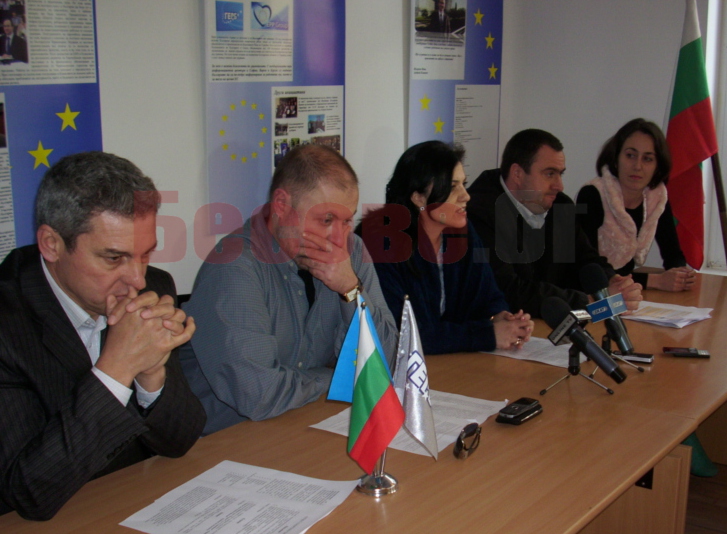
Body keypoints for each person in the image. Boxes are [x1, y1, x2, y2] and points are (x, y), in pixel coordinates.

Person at [0, 152, 206, 520]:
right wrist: (117, 368)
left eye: (145, 254)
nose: (137, 279)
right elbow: (29, 492)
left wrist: (151, 376)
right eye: (114, 258)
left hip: (131, 500)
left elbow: (180, 440)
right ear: (51, 244)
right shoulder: (7, 323)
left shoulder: (155, 286)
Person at [180, 145, 398, 435]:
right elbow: (259, 396)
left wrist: (350, 289)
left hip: (305, 422)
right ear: (282, 205)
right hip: (229, 439)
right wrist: (338, 377)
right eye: (326, 220)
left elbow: (387, 363)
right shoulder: (234, 266)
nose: (339, 237)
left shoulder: (351, 251)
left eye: (348, 220)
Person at [358, 141, 533, 354]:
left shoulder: (462, 232)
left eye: (463, 184)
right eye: (452, 187)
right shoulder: (380, 243)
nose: (466, 196)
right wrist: (487, 335)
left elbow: (488, 295)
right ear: (418, 197)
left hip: (450, 361)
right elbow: (402, 334)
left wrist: (499, 317)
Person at [467, 128, 643, 318]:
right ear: (517, 173)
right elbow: (506, 289)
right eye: (549, 174)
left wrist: (612, 282)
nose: (559, 186)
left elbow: (585, 259)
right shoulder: (479, 214)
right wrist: (590, 301)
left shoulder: (560, 205)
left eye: (560, 174)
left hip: (551, 322)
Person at [576, 118, 695, 292]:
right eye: (630, 155)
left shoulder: (657, 197)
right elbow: (588, 267)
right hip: (595, 293)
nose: (637, 166)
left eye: (647, 159)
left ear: (657, 166)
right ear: (616, 158)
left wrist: (680, 274)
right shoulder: (592, 194)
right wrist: (655, 281)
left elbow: (673, 253)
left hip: (628, 291)